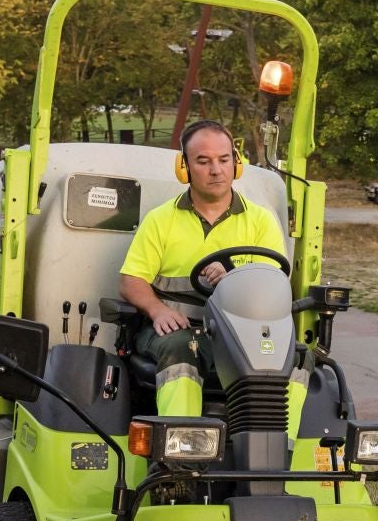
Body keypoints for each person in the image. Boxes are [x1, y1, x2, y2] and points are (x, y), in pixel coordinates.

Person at [118, 120, 286, 416]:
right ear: (184, 167)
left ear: (236, 163)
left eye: (224, 160)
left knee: (294, 357)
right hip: (178, 330)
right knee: (183, 348)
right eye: (203, 161)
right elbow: (131, 281)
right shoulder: (161, 220)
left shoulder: (261, 221)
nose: (216, 170)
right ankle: (181, 450)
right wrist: (158, 310)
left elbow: (272, 285)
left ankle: (285, 450)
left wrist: (235, 279)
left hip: (241, 333)